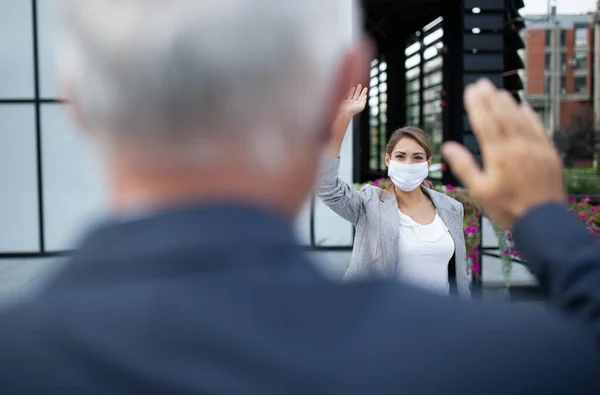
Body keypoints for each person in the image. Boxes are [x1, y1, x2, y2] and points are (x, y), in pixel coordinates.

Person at [0, 1, 599, 394]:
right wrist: (546, 221)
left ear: (73, 99)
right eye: (403, 156)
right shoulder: (508, 363)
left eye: (419, 158)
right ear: (344, 83)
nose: (411, 166)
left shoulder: (20, 358)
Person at [318, 86, 469, 298]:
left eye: (417, 157)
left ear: (428, 164)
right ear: (388, 160)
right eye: (400, 156)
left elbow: (460, 278)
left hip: (441, 323)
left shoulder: (451, 208)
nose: (408, 163)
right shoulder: (370, 204)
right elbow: (327, 186)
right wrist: (345, 116)